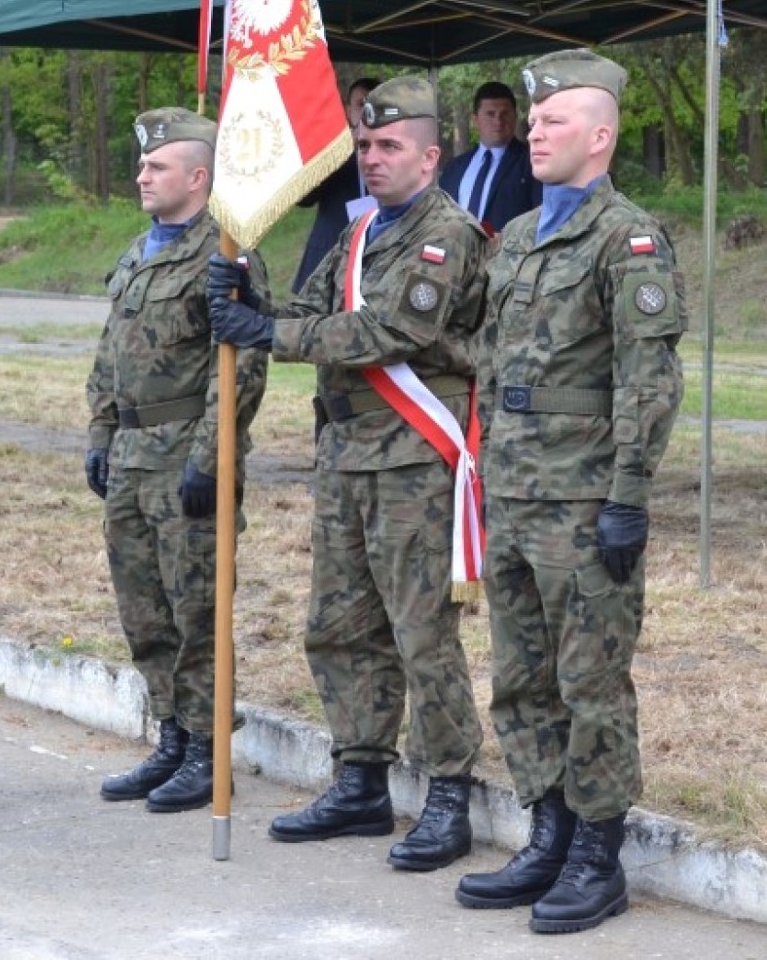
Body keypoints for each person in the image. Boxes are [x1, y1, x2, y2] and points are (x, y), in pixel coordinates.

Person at [207, 75, 488, 872]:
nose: (372, 158)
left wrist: (269, 333)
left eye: (389, 145)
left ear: (431, 155)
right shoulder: (360, 233)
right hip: (346, 457)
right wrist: (250, 302)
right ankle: (360, 776)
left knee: (421, 631)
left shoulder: (448, 234)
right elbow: (310, 307)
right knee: (338, 624)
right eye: (364, 145)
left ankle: (447, 794)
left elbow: (391, 329)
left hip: (411, 460)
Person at [455, 50, 686, 932]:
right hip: (514, 492)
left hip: (585, 499)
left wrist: (629, 491)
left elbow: (648, 377)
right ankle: (547, 828)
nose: (534, 130)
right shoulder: (515, 237)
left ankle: (597, 849)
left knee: (590, 678)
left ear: (600, 135)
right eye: (532, 117)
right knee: (522, 677)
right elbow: (484, 356)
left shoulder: (627, 237)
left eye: (551, 121)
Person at [85, 107, 268, 814]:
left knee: (198, 609)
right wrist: (100, 433)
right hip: (132, 454)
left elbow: (242, 360)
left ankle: (205, 747)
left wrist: (211, 457)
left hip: (185, 454)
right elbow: (109, 354)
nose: (142, 174)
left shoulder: (224, 250)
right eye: (141, 164)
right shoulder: (140, 250)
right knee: (145, 608)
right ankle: (169, 733)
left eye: (156, 166)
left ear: (198, 176)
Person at [291, 75, 381, 291]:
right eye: (361, 105)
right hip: (328, 258)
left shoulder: (392, 152)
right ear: (348, 111)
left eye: (374, 105)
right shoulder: (329, 149)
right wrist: (337, 153)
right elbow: (303, 198)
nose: (367, 111)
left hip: (377, 259)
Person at [440, 80, 541, 232]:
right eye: (490, 114)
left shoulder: (532, 162)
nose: (498, 121)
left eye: (505, 114)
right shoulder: (454, 168)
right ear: (475, 120)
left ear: (515, 116)